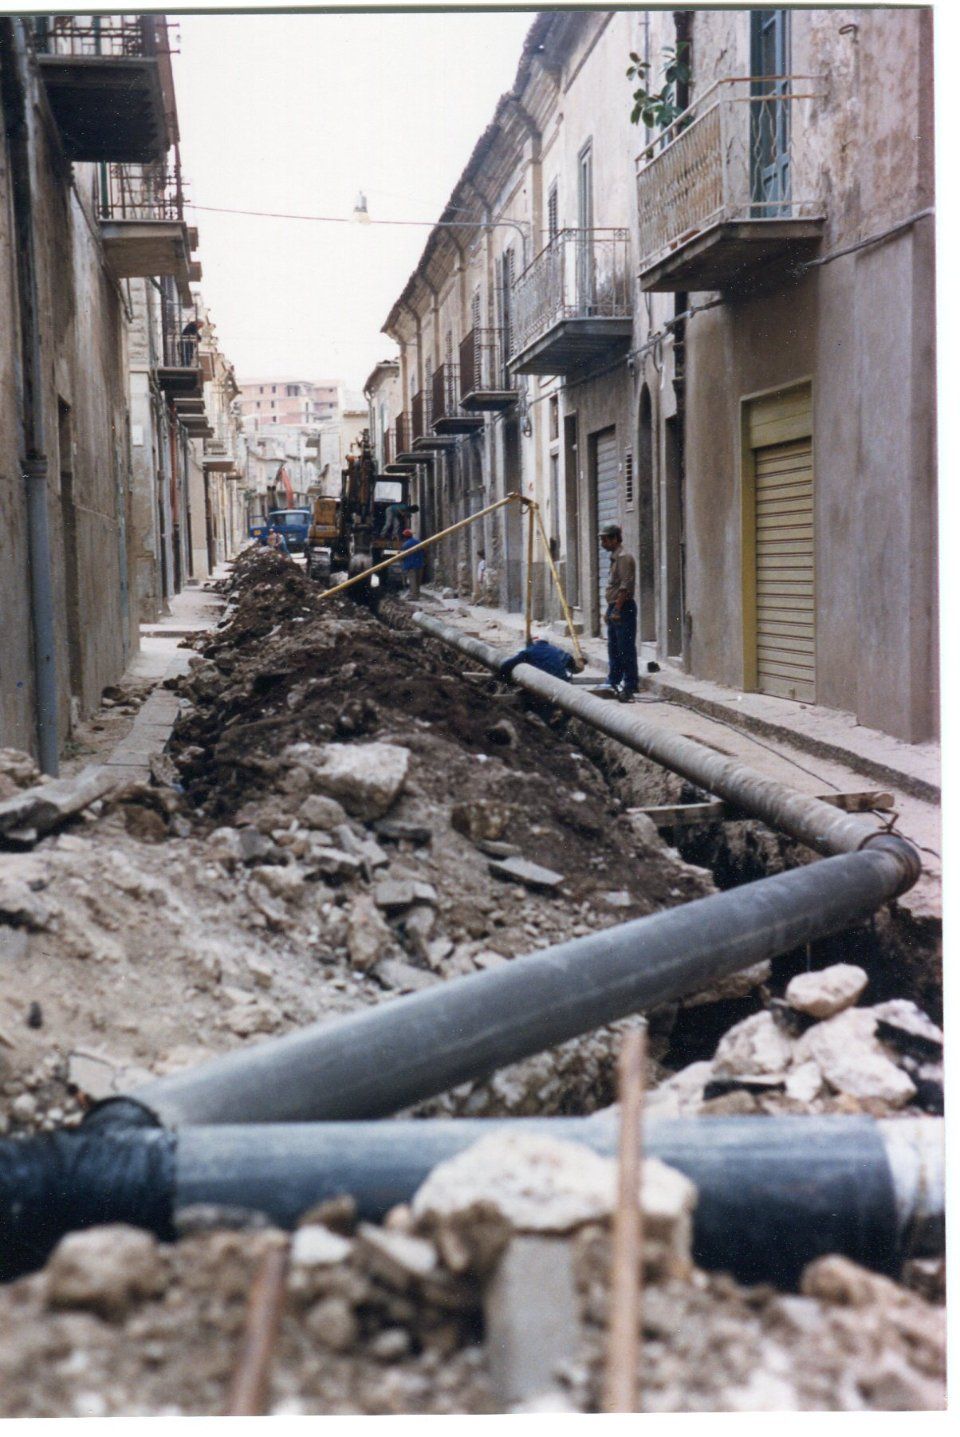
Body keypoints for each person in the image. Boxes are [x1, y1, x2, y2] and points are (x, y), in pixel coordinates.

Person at [598, 522, 638, 701]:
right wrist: (610, 610)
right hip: (615, 607)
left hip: (623, 607)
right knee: (614, 648)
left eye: (605, 539)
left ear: (615, 539)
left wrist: (617, 609)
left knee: (625, 648)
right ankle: (614, 680)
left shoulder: (624, 558)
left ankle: (630, 684)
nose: (602, 543)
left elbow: (625, 586)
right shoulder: (615, 558)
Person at [499, 637, 576, 682]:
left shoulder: (530, 651)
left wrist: (500, 675)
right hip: (562, 682)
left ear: (534, 640)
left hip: (543, 684)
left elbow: (509, 664)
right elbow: (572, 663)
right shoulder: (557, 651)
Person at [400, 527, 424, 599]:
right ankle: (417, 594)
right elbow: (423, 551)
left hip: (410, 566)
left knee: (412, 581)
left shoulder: (405, 545)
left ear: (405, 537)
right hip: (419, 564)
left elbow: (402, 556)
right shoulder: (418, 542)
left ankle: (413, 595)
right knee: (417, 581)